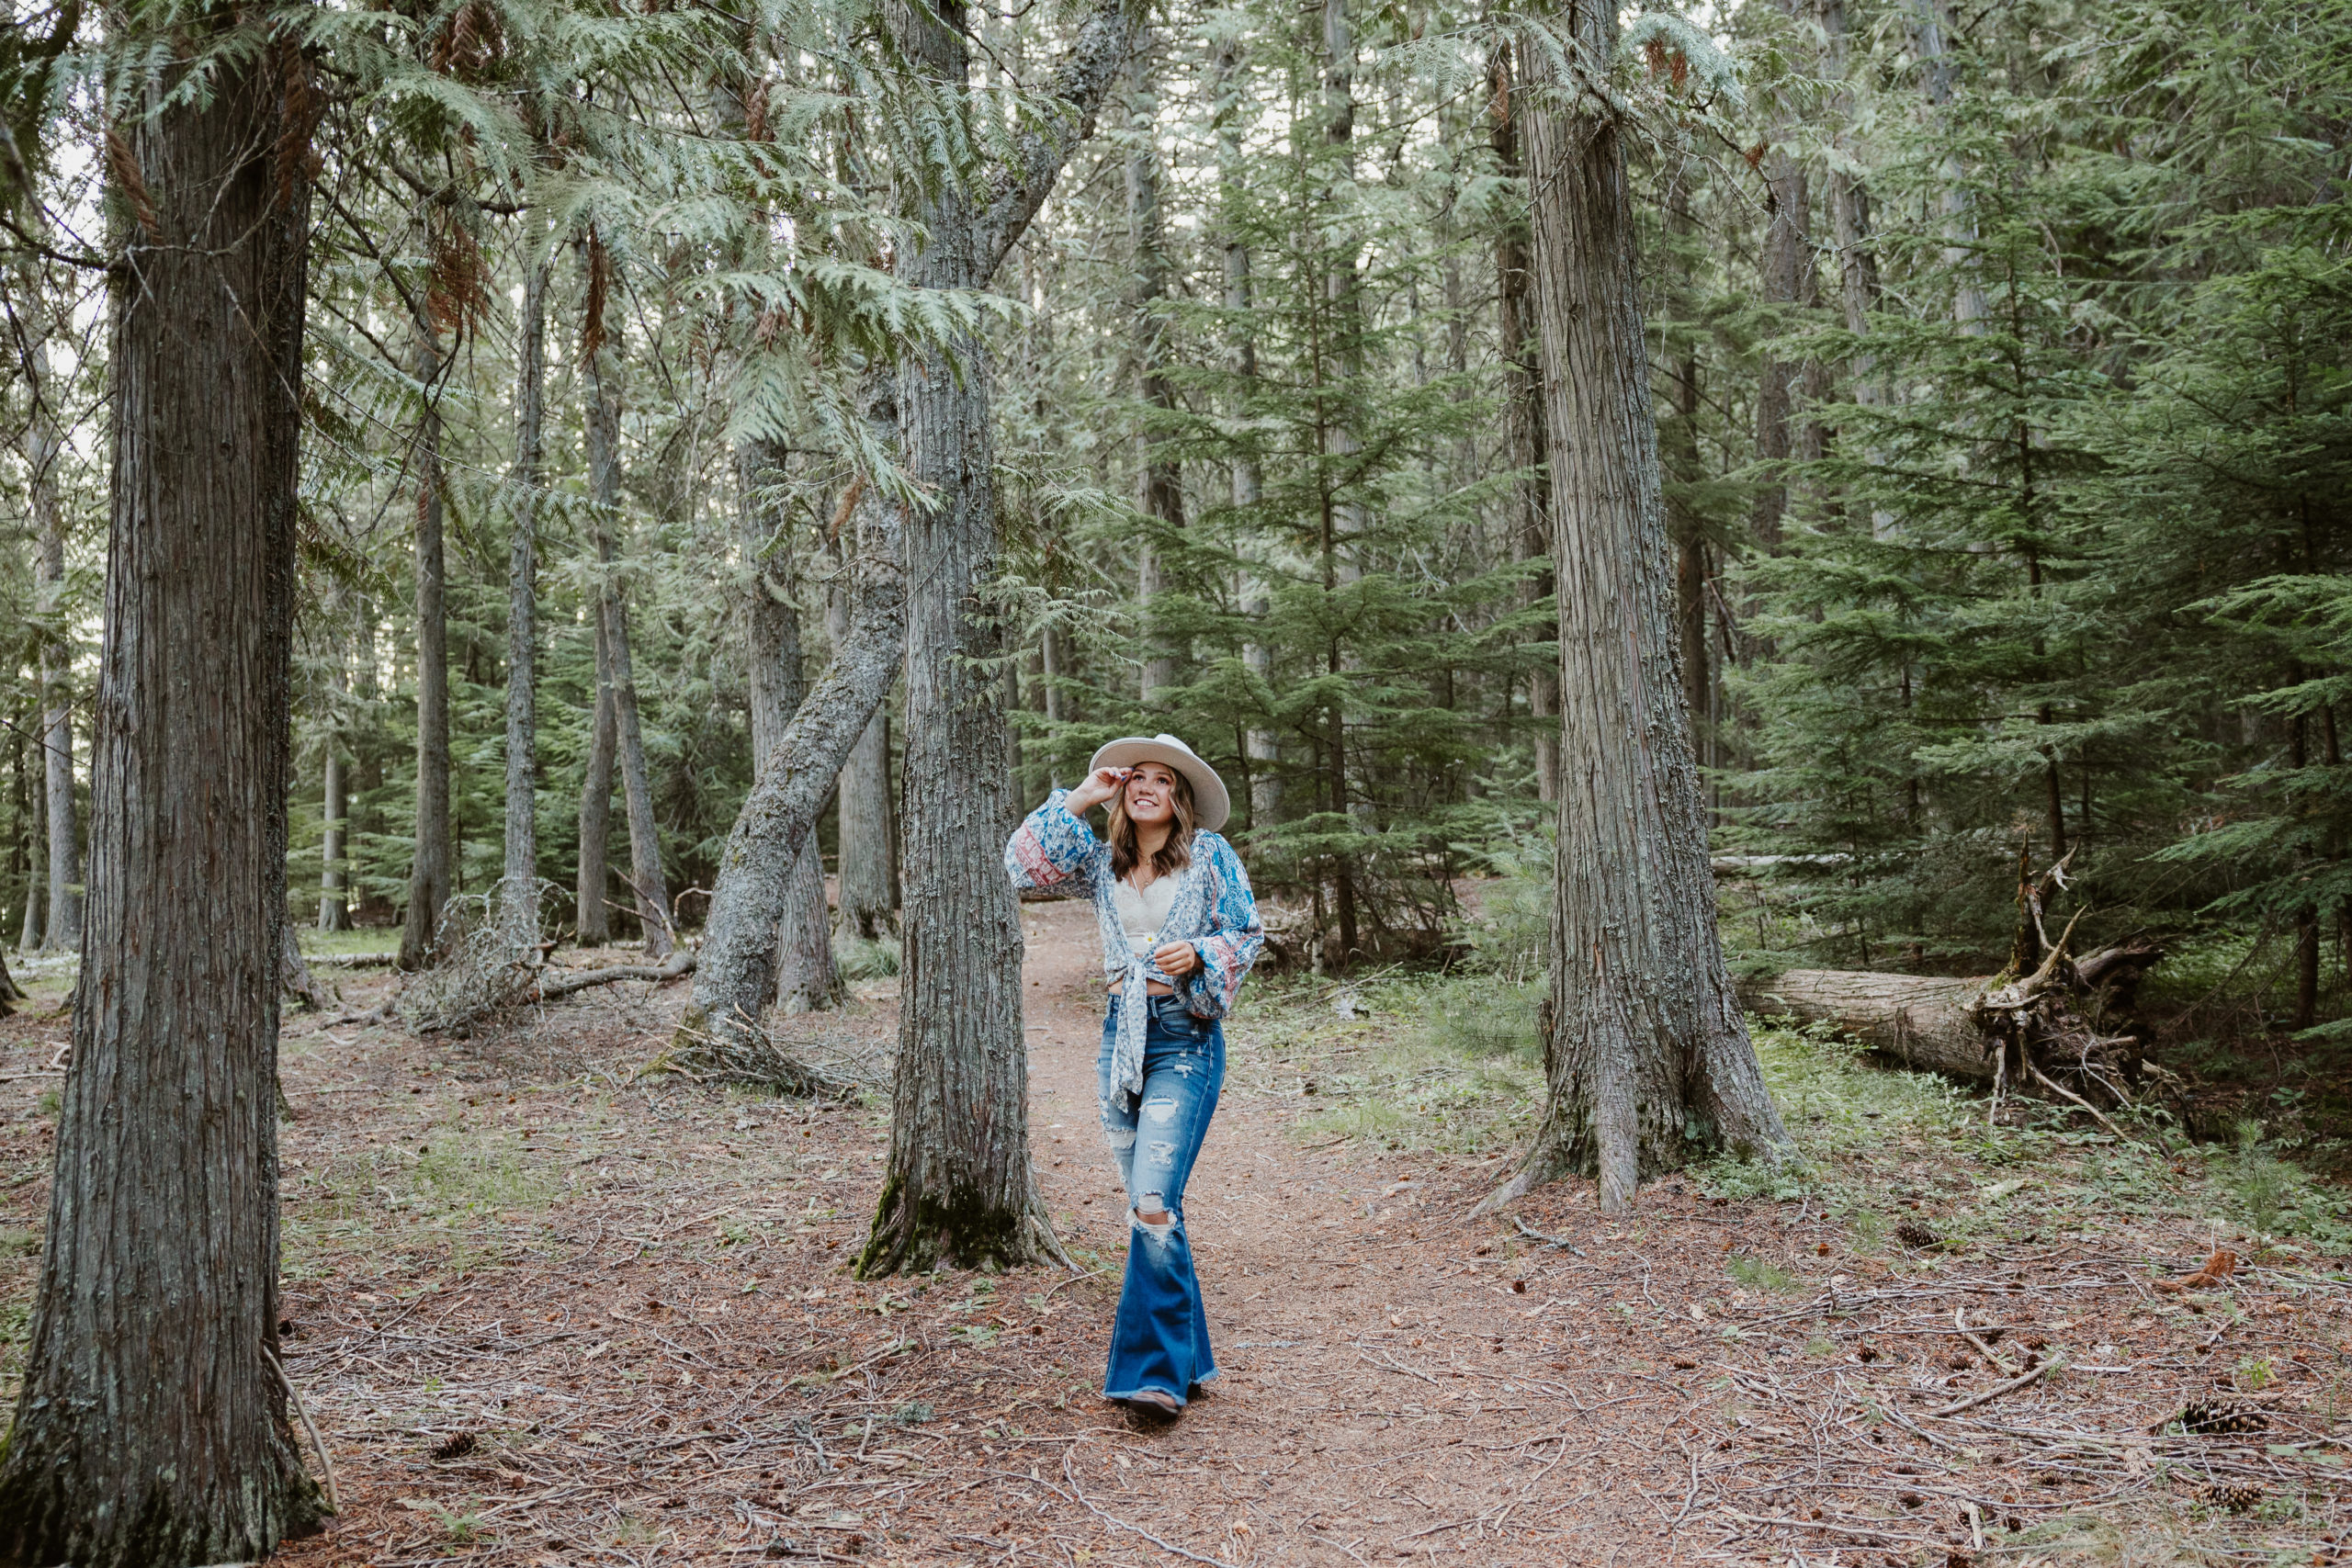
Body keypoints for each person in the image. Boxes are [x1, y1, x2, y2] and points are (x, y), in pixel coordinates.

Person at [1005, 734, 1264, 1421]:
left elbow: (1248, 932)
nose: (1148, 786)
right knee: (1157, 1212)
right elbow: (1019, 868)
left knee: (1152, 1202)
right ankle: (1192, 1358)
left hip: (1186, 1041)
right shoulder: (1100, 862)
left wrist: (1201, 951)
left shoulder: (1211, 856)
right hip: (1120, 1042)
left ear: (1179, 797)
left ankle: (1152, 1378)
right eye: (1137, 777)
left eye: (1163, 779)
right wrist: (1084, 795)